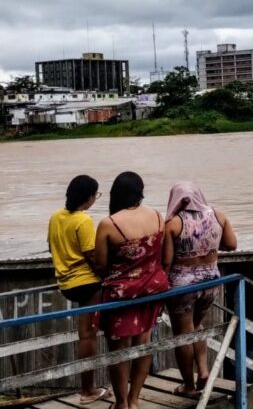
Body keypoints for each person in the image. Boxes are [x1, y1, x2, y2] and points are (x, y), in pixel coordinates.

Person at [94, 172, 170, 409]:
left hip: (121, 294)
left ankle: (122, 403)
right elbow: (163, 256)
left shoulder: (110, 224)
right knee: (143, 343)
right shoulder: (158, 216)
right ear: (140, 191)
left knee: (118, 350)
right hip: (153, 289)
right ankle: (135, 400)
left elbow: (101, 264)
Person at [162, 181, 237, 397]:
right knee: (197, 325)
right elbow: (232, 244)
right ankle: (203, 371)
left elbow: (167, 261)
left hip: (183, 285)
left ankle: (188, 385)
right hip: (211, 281)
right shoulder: (218, 216)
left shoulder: (173, 224)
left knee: (183, 334)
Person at [47, 175, 112, 405]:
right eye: (96, 195)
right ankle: (88, 391)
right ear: (89, 197)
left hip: (65, 283)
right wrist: (107, 276)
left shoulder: (56, 217)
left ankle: (93, 387)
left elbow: (52, 247)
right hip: (86, 284)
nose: (96, 199)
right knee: (87, 335)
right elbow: (92, 255)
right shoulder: (83, 221)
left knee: (88, 332)